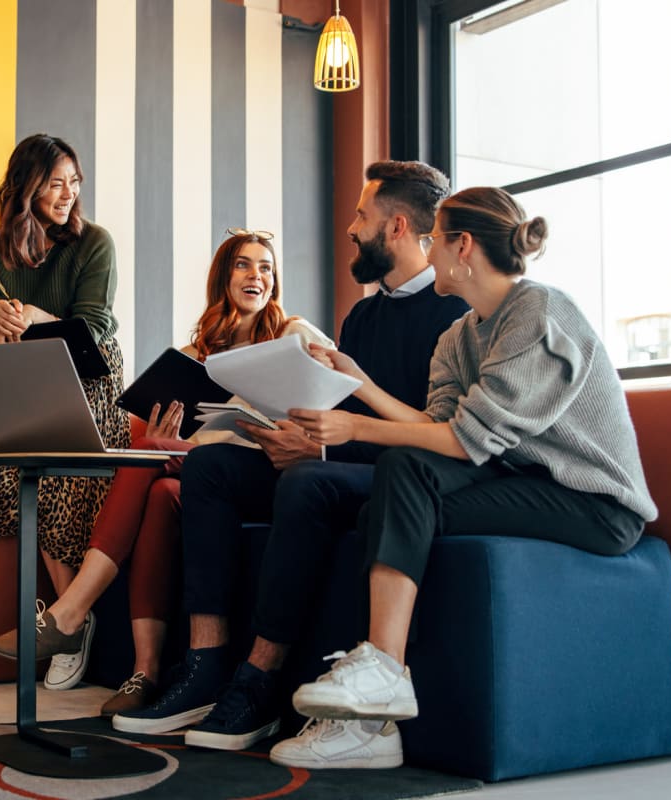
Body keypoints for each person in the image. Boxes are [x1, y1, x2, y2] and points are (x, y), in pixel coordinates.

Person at [272, 186, 658, 769]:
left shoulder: (539, 313)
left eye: (435, 240)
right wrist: (360, 384)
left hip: (594, 503)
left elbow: (461, 440)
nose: (426, 253)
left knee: (402, 473)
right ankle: (372, 727)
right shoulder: (459, 336)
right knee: (384, 503)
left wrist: (355, 427)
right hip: (522, 481)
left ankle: (381, 675)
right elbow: (438, 426)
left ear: (463, 246)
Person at [112, 161, 470, 754]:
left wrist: (321, 447)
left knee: (306, 483)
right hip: (335, 456)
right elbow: (328, 404)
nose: (351, 228)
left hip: (401, 474)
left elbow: (429, 434)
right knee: (209, 470)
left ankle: (258, 683)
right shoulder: (362, 315)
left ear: (398, 226)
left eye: (361, 215)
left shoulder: (452, 315)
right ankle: (204, 667)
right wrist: (285, 434)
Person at [0, 229, 335, 699]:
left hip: (270, 471)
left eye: (266, 267)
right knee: (157, 488)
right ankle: (145, 672)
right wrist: (163, 441)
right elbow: (168, 436)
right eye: (244, 265)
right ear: (223, 279)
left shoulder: (293, 333)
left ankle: (70, 613)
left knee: (158, 465)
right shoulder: (194, 357)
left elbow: (335, 397)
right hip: (199, 477)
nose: (257, 275)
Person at [0, 133, 131, 689]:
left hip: (88, 374)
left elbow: (95, 327)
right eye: (56, 182)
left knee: (54, 465)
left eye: (74, 182)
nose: (67, 193)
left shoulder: (94, 242)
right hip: (25, 370)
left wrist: (34, 314)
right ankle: (68, 620)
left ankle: (64, 619)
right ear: (25, 186)